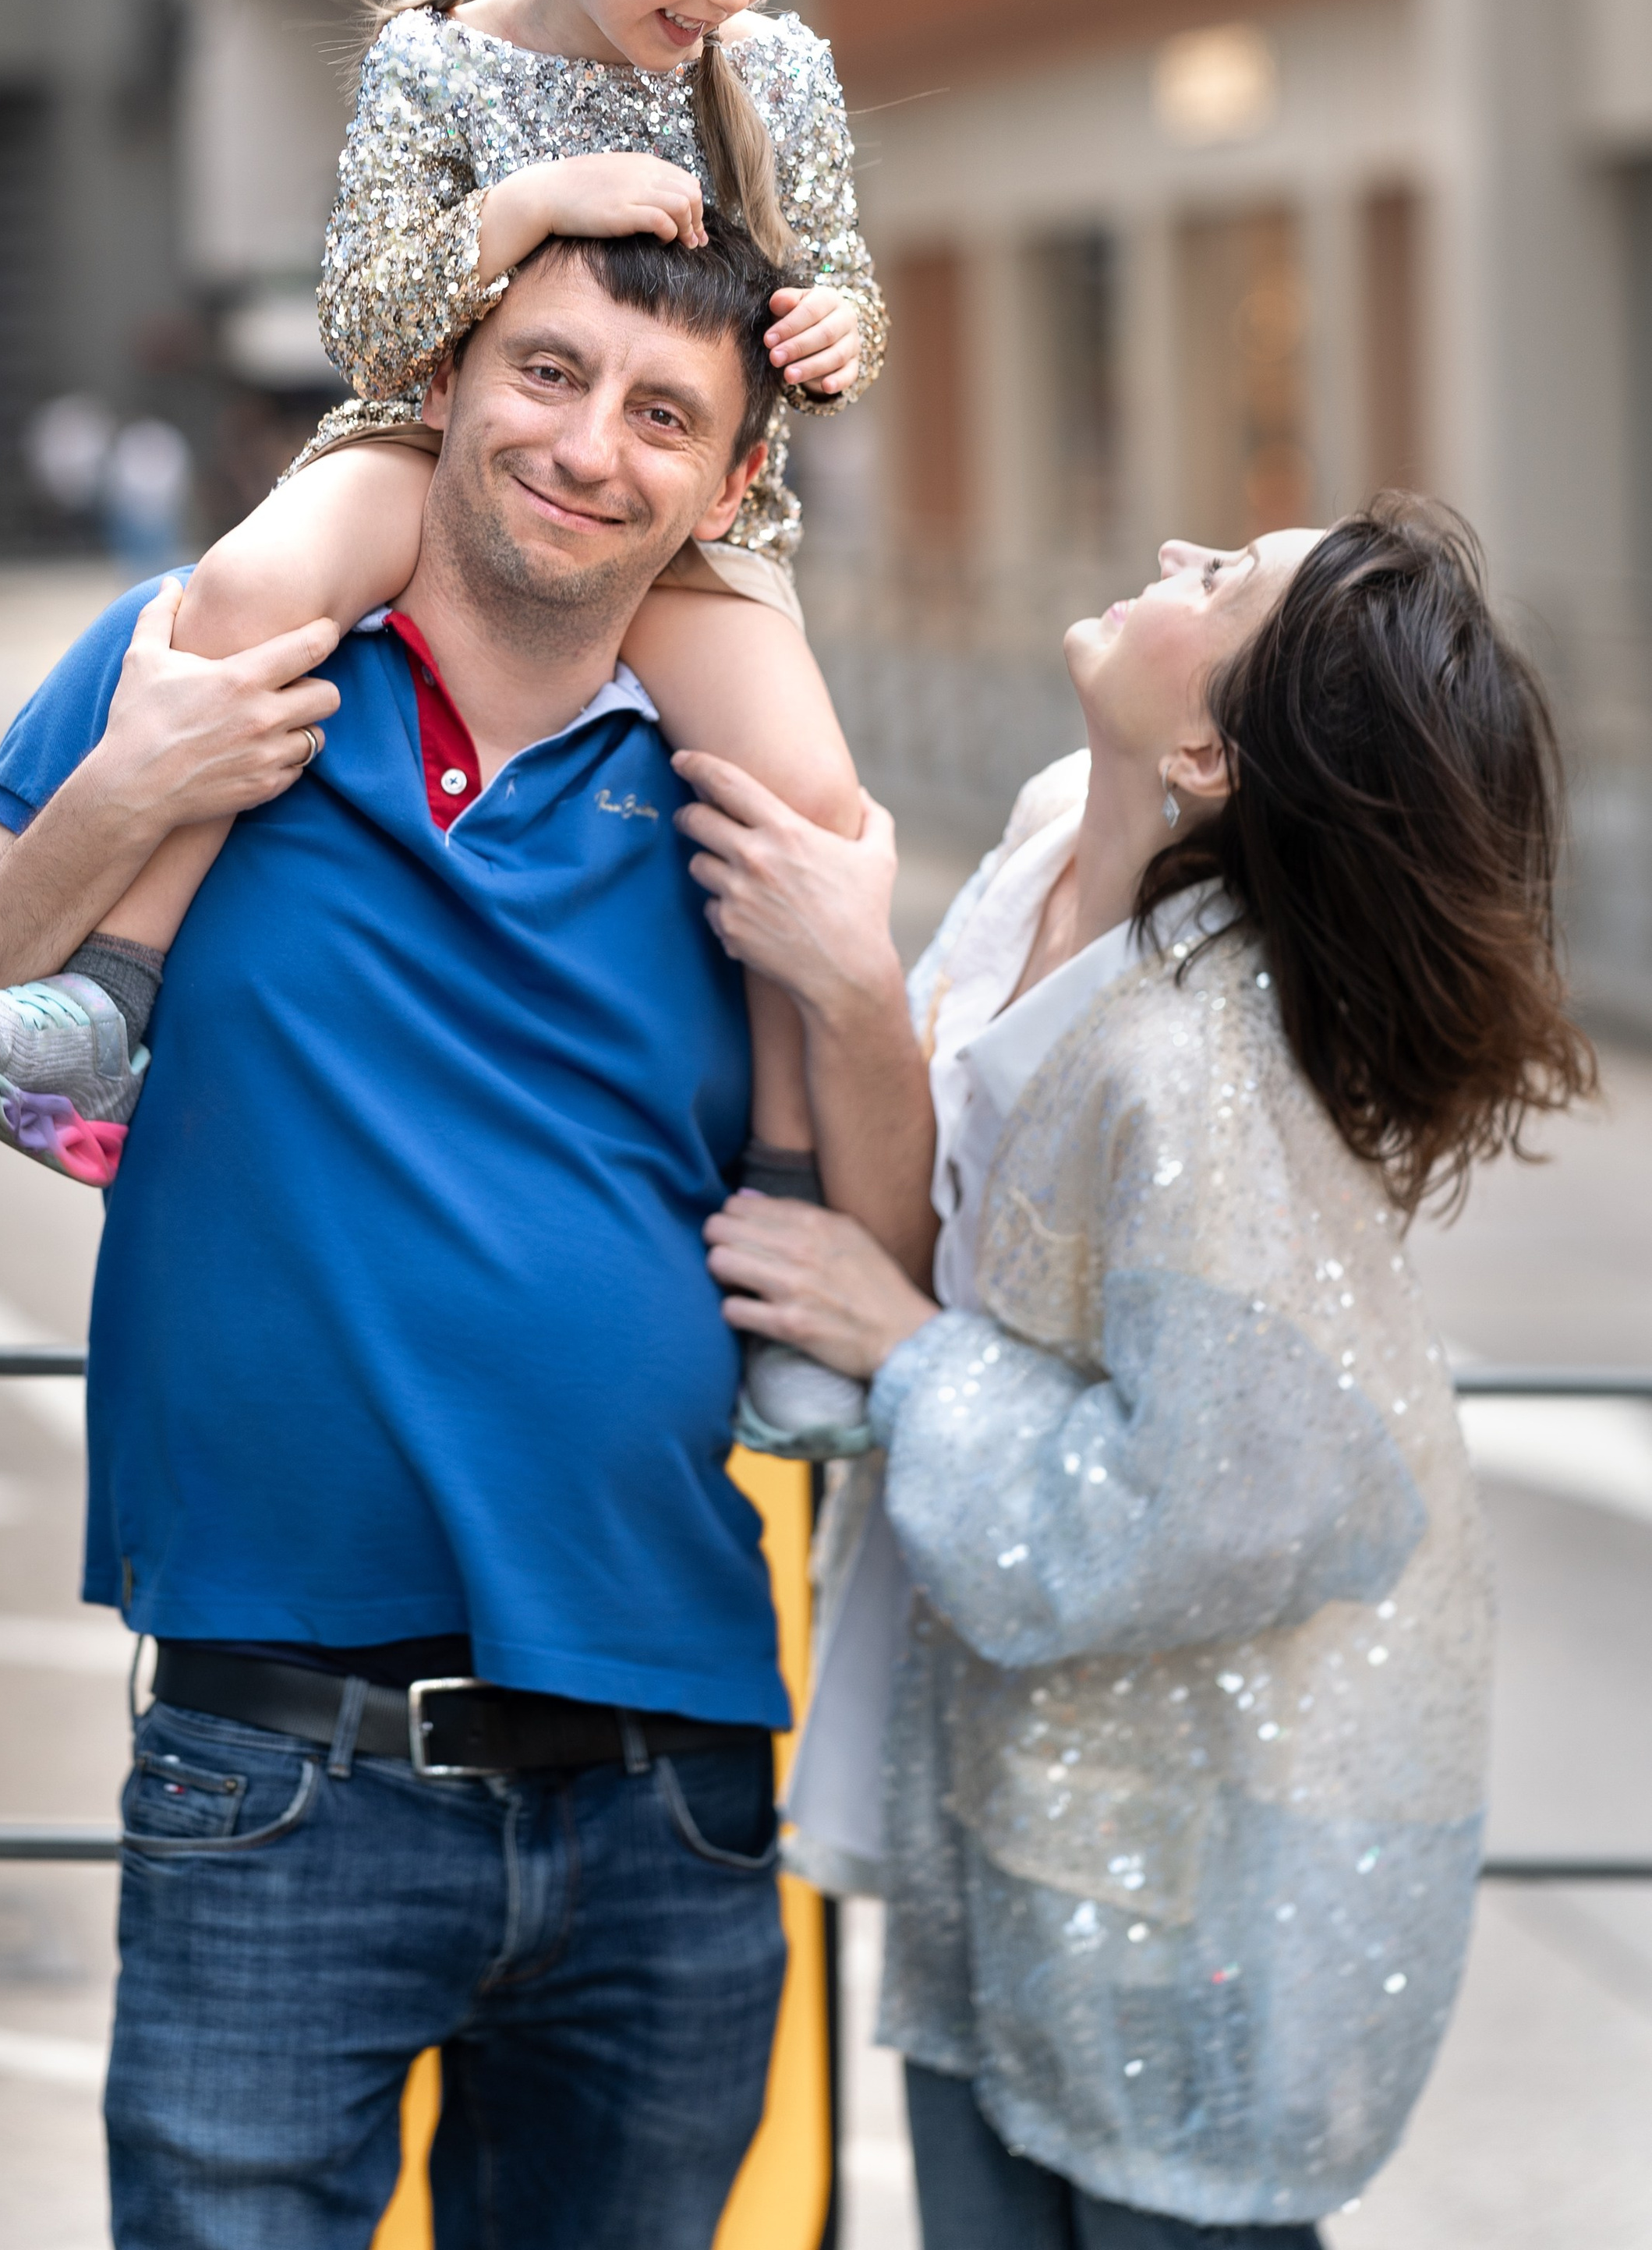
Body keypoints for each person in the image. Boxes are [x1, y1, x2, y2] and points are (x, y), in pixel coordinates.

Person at [0, 225, 805, 2250]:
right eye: (548, 371)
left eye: (660, 414)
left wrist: (861, 985)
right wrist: (126, 793)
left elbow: (865, 1246)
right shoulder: (200, 656)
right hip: (281, 1769)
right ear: (440, 379)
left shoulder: (739, 785)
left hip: (669, 1789)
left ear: (728, 484)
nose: (587, 446)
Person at [0, 0, 887, 1258]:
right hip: (425, 445)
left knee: (805, 797)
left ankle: (788, 1174)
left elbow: (836, 273)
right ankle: (109, 996)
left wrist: (834, 325)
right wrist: (527, 208)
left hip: (690, 512)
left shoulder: (776, 71)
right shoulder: (434, 60)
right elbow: (361, 322)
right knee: (243, 594)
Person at [674, 503, 1596, 2246]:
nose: (1175, 552)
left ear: (1206, 754)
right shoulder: (1044, 836)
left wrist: (900, 1353)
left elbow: (1214, 1503)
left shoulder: (1210, 1070)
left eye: (1221, 583)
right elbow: (957, 1214)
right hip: (1002, 1802)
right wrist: (852, 1005)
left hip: (1183, 1909)